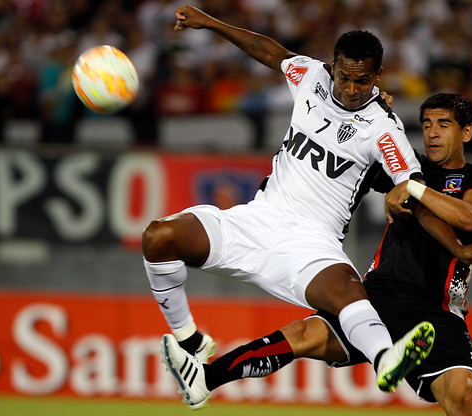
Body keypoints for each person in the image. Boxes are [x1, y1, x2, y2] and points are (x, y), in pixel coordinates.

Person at [144, 5, 446, 407]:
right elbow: (271, 52)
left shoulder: (383, 126)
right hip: (257, 219)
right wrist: (211, 23)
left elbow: (412, 178)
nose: (352, 89)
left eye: (363, 80)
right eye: (344, 77)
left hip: (312, 242)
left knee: (348, 294)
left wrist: (403, 189)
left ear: (377, 77)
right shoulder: (310, 76)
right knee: (159, 236)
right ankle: (190, 341)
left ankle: (385, 357)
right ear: (332, 66)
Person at [161, 93, 472, 415]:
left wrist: (413, 188)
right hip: (376, 296)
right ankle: (205, 379)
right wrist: (373, 110)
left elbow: (471, 215)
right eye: (426, 124)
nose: (432, 133)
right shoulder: (404, 167)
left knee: (464, 398)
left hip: (435, 310)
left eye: (444, 124)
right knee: (301, 336)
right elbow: (353, 149)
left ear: (466, 132)